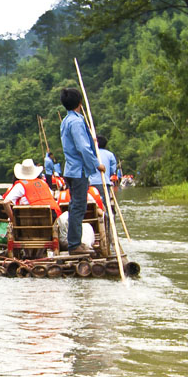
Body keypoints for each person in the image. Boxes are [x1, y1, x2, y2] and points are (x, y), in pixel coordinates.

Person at [60, 88, 105, 253]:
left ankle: (74, 242)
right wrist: (96, 164)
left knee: (75, 206)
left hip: (71, 170)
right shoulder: (77, 122)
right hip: (78, 171)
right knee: (79, 207)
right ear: (80, 103)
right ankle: (74, 245)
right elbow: (83, 148)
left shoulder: (66, 121)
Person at [89, 134, 118, 209]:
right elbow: (112, 169)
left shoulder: (91, 154)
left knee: (93, 204)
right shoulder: (110, 155)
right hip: (104, 182)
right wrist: (107, 174)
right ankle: (107, 218)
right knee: (105, 203)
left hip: (92, 183)